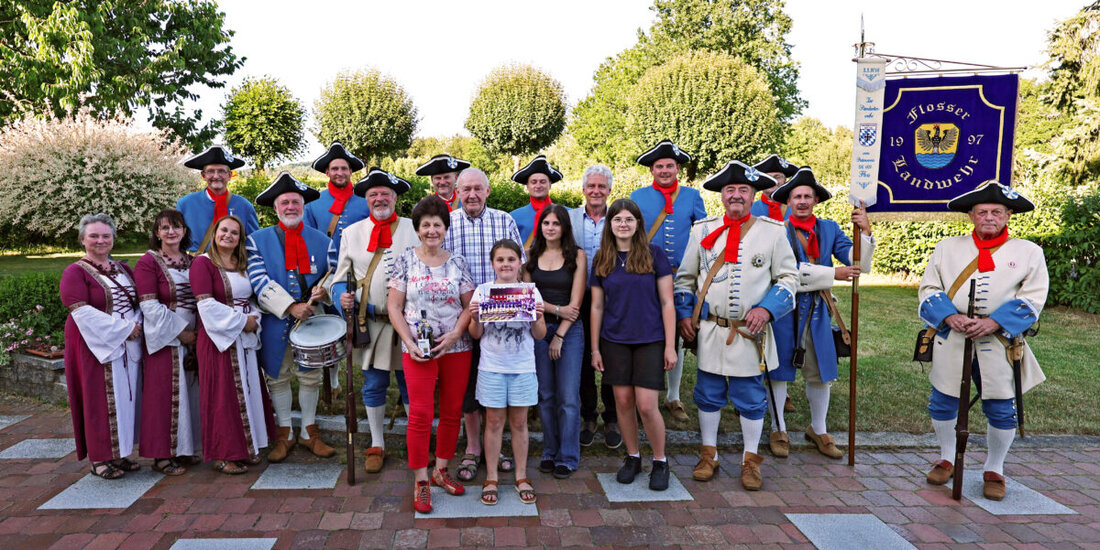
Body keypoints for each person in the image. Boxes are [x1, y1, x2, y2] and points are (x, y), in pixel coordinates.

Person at [918, 181, 1047, 501]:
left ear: (1008, 215)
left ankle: (995, 469)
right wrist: (950, 317)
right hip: (954, 337)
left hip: (999, 342)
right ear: (971, 216)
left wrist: (993, 322)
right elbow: (929, 290)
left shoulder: (1029, 252)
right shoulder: (947, 248)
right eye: (982, 212)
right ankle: (947, 457)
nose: (989, 217)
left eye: (996, 212)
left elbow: (1033, 299)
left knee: (1001, 408)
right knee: (943, 401)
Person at [674, 161, 797, 490]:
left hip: (750, 333)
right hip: (712, 330)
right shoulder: (702, 230)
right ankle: (709, 454)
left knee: (750, 396)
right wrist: (686, 315)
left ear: (753, 194)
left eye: (743, 190)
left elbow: (789, 279)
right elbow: (684, 280)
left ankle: (750, 460)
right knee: (708, 393)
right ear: (722, 195)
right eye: (730, 190)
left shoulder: (772, 231)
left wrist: (768, 310)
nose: (736, 195)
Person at [766, 168, 874, 459]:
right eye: (797, 196)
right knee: (778, 372)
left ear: (815, 201)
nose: (802, 201)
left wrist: (865, 232)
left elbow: (858, 263)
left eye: (807, 196)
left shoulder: (829, 229)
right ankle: (778, 428)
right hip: (784, 309)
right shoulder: (776, 231)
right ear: (788, 201)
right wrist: (833, 273)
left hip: (817, 311)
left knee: (821, 373)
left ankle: (819, 429)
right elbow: (786, 272)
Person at [388, 195, 475, 513]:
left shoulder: (458, 263)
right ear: (418, 229)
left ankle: (441, 469)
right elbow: (394, 306)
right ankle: (421, 479)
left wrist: (454, 335)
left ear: (445, 228)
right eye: (426, 225)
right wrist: (408, 342)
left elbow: (470, 306)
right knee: (421, 413)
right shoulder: (405, 260)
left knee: (452, 411)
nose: (432, 230)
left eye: (437, 224)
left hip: (455, 348)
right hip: (419, 349)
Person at [245, 172, 338, 462]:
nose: (290, 207)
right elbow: (257, 279)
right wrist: (289, 307)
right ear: (275, 208)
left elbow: (335, 275)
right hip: (275, 319)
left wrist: (327, 292)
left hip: (313, 320)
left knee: (309, 376)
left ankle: (309, 432)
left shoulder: (323, 241)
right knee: (277, 375)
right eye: (284, 202)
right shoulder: (255, 240)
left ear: (303, 206)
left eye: (296, 202)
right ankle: (284, 432)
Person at [332, 168, 417, 474]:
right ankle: (377, 443)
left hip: (410, 323)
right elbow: (339, 280)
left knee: (410, 383)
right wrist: (341, 297)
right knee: (374, 383)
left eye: (385, 194)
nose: (380, 199)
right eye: (373, 195)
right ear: (366, 200)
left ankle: (415, 443)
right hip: (372, 323)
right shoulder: (351, 233)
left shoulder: (414, 227)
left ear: (395, 198)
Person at [442, 168, 524, 482]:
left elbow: (519, 268)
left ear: (487, 191)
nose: (472, 195)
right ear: (457, 192)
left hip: (500, 319)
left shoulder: (504, 220)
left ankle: (497, 447)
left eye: (478, 188)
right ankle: (473, 448)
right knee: (466, 388)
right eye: (466, 189)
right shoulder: (448, 223)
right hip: (460, 317)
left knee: (496, 385)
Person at [590, 199, 678, 491]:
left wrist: (669, 345)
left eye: (629, 219)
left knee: (647, 405)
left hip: (650, 340)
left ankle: (660, 460)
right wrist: (595, 348)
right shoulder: (602, 258)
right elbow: (597, 308)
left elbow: (667, 302)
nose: (623, 224)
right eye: (618, 219)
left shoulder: (654, 255)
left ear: (638, 223)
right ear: (610, 224)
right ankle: (633, 456)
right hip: (614, 340)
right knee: (623, 402)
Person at [60, 213, 144, 479]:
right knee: (98, 400)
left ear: (113, 239)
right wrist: (125, 329)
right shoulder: (75, 272)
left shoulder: (122, 268)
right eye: (94, 236)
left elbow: (138, 301)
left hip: (126, 342)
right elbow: (80, 311)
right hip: (92, 344)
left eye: (106, 235)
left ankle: (120, 453)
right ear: (83, 239)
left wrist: (136, 324)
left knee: (123, 398)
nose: (100, 240)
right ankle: (99, 459)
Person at [191, 215, 276, 474]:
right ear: (215, 233)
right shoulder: (202, 265)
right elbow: (205, 305)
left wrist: (254, 318)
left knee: (247, 392)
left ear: (240, 238)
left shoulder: (242, 264)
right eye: (223, 230)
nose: (228, 235)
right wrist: (242, 321)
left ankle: (247, 447)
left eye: (235, 232)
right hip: (219, 339)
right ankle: (224, 454)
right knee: (222, 397)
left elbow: (249, 299)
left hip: (243, 336)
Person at [629, 139, 707, 424]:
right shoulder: (638, 196)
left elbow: (703, 233)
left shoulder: (691, 195)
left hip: (683, 277)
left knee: (677, 335)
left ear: (678, 169)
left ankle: (673, 396)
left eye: (670, 166)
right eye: (659, 166)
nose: (665, 171)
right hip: (647, 276)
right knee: (647, 333)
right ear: (652, 170)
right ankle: (646, 392)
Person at [470, 239, 546, 505]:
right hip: (492, 367)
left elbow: (540, 335)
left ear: (519, 262)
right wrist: (475, 317)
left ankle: (521, 475)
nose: (505, 264)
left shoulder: (530, 293)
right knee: (492, 422)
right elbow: (476, 335)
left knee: (520, 422)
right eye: (500, 260)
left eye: (511, 259)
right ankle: (491, 476)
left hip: (522, 367)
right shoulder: (483, 291)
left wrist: (537, 316)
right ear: (492, 264)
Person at [135, 209, 201, 475]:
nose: (171, 232)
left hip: (195, 337)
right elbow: (149, 305)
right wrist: (181, 332)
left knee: (189, 395)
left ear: (184, 231)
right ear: (156, 233)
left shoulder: (193, 261)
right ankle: (161, 455)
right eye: (164, 228)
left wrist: (197, 334)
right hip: (165, 337)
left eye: (176, 227)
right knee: (163, 397)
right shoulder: (148, 263)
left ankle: (184, 449)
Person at [303, 143, 369, 407]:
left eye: (344, 168)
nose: (339, 172)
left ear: (351, 171)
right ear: (327, 172)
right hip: (326, 274)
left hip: (360, 272)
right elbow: (308, 239)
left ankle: (368, 374)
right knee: (326, 328)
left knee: (360, 325)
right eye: (334, 168)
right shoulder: (314, 203)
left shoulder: (364, 202)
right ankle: (332, 382)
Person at [525, 205, 586, 479]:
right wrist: (555, 309)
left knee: (568, 397)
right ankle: (550, 451)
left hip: (569, 332)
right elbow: (529, 299)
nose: (550, 228)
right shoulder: (530, 256)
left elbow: (575, 306)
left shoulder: (578, 257)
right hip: (538, 328)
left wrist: (560, 333)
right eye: (546, 223)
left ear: (564, 228)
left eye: (556, 224)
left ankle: (568, 456)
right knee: (545, 395)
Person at [569, 165, 621, 449]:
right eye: (592, 186)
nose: (596, 191)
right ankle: (588, 415)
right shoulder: (569, 217)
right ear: (584, 189)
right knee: (583, 358)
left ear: (609, 190)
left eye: (602, 186)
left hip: (612, 298)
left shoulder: (620, 216)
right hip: (579, 297)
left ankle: (611, 417)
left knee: (611, 355)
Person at [177, 145, 259, 252]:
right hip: (195, 266)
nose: (216, 176)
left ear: (229, 175)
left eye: (221, 171)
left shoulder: (244, 206)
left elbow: (254, 244)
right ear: (203, 175)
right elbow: (176, 242)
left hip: (232, 266)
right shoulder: (185, 204)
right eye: (210, 171)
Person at [509, 155, 563, 250]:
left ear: (550, 185)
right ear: (527, 186)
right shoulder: (513, 217)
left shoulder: (566, 213)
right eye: (534, 182)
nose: (538, 185)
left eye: (542, 181)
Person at [750, 155, 799, 222]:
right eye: (768, 177)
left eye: (777, 177)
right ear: (761, 182)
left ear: (784, 180)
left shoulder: (797, 209)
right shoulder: (749, 210)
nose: (773, 181)